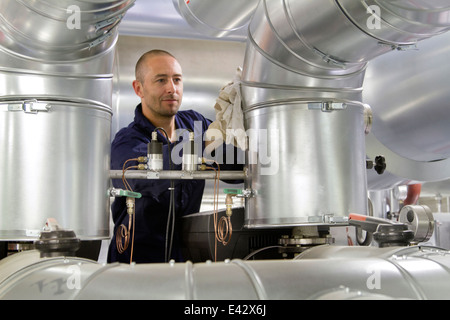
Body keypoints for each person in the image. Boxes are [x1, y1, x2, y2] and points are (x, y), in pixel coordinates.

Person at [107, 49, 241, 264]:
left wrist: (243, 123)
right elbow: (140, 181)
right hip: (137, 264)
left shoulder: (195, 124)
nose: (172, 88)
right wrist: (202, 145)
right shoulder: (127, 141)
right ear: (138, 88)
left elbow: (237, 171)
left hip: (186, 260)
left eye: (177, 80)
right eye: (161, 80)